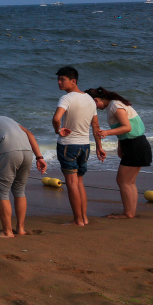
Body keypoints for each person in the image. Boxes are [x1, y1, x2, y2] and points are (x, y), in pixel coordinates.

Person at [0, 117, 48, 238]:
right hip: (28, 152)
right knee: (19, 189)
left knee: (2, 191)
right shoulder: (6, 120)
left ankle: (7, 232)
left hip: (9, 152)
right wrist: (39, 157)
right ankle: (21, 229)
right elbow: (29, 133)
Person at [86, 87, 151, 219]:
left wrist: (106, 132)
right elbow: (123, 129)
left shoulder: (115, 105)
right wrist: (120, 145)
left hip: (135, 145)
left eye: (93, 105)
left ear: (96, 100)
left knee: (123, 181)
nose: (95, 109)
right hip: (133, 144)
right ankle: (130, 212)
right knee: (129, 182)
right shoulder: (113, 105)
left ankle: (128, 213)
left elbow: (127, 127)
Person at [52, 66, 105, 226]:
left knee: (72, 183)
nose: (59, 82)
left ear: (73, 81)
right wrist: (99, 147)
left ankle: (78, 220)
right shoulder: (90, 99)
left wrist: (58, 130)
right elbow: (96, 126)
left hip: (68, 145)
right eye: (58, 79)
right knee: (79, 182)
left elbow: (56, 118)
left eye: (63, 79)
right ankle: (84, 218)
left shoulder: (66, 98)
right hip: (85, 146)